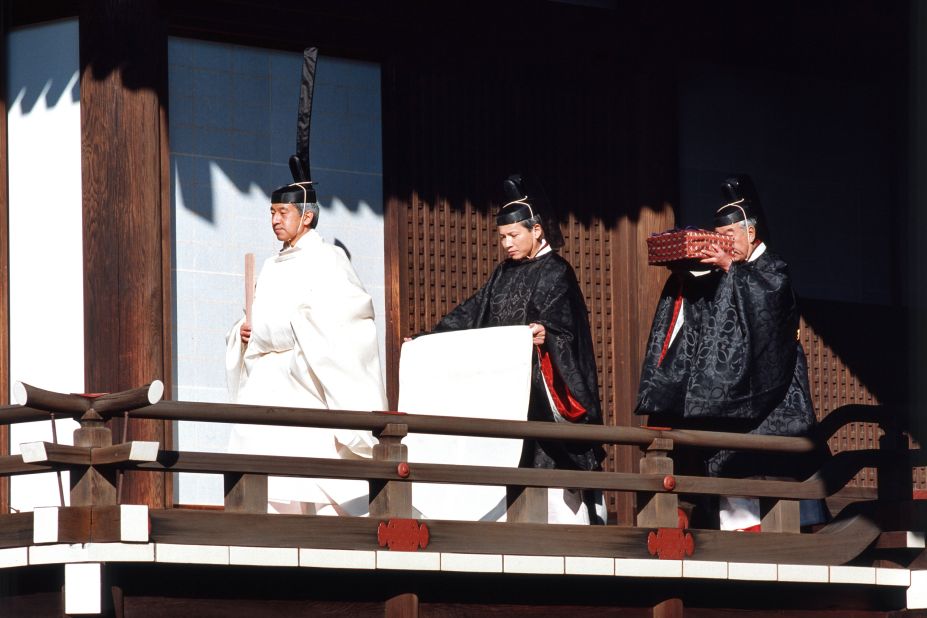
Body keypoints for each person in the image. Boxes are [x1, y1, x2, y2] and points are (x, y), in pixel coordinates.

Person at [225, 47, 386, 515]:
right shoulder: (273, 265)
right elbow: (253, 320)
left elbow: (349, 321)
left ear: (307, 216)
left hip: (303, 377)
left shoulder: (329, 260)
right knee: (261, 484)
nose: (276, 221)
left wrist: (298, 329)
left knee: (305, 486)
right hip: (266, 380)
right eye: (272, 213)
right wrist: (243, 333)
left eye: (283, 213)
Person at [635, 175, 826, 530]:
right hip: (731, 395)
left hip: (775, 397)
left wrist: (728, 269)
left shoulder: (774, 272)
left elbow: (765, 310)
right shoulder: (728, 271)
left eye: (730, 238)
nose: (724, 246)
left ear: (751, 233)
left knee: (771, 471)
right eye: (719, 238)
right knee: (723, 466)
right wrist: (688, 274)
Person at [430, 174, 605, 524]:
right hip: (506, 396)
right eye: (502, 237)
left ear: (536, 230)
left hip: (543, 399)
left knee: (554, 496)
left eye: (514, 235)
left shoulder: (557, 272)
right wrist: (429, 337)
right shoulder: (503, 274)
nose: (507, 244)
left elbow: (570, 335)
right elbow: (473, 311)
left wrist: (547, 335)